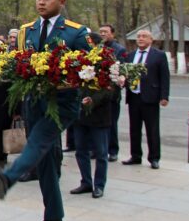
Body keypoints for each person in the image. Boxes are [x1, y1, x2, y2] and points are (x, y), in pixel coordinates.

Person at [0, 0, 92, 221]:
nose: (42, 2)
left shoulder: (76, 33)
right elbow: (18, 64)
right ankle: (54, 217)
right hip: (34, 103)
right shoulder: (26, 32)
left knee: (37, 144)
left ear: (62, 1)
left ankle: (8, 178)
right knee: (45, 160)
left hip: (62, 104)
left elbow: (89, 69)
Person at [71, 32, 115, 198]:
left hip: (99, 114)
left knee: (101, 153)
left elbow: (110, 89)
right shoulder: (77, 60)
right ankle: (86, 182)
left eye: (88, 43)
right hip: (81, 113)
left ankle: (99, 185)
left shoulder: (107, 61)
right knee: (80, 150)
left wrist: (92, 100)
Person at [123, 29, 170, 169]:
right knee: (134, 129)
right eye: (138, 36)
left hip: (150, 98)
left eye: (144, 36)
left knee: (152, 129)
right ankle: (135, 156)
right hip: (134, 97)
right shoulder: (130, 56)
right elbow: (126, 75)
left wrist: (164, 96)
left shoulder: (159, 55)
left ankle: (154, 158)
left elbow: (164, 77)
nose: (140, 38)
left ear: (151, 39)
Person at [99, 24, 128, 162]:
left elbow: (122, 70)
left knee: (111, 123)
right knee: (98, 123)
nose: (103, 34)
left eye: (105, 32)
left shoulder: (119, 50)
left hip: (112, 94)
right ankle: (99, 149)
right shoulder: (97, 48)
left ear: (112, 34)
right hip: (98, 93)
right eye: (101, 32)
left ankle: (113, 150)